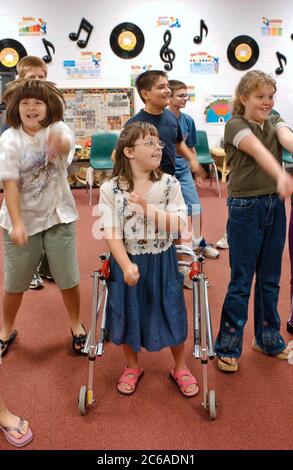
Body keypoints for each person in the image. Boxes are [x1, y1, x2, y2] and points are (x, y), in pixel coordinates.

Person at [99, 121, 199, 397]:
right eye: (149, 143)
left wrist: (146, 209)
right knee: (126, 311)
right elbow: (111, 232)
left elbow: (180, 225)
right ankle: (132, 366)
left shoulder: (169, 184)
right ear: (129, 152)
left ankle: (180, 366)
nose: (158, 147)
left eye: (159, 143)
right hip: (127, 261)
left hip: (162, 259)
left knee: (171, 308)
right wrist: (126, 264)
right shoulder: (111, 189)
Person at [0, 79, 86, 356]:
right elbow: (10, 184)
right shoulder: (9, 139)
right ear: (16, 107)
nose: (31, 107)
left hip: (58, 217)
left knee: (67, 278)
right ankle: (5, 330)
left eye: (38, 102)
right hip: (20, 221)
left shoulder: (58, 129)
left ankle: (76, 325)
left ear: (49, 107)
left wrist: (58, 144)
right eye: (25, 102)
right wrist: (17, 223)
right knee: (15, 283)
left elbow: (64, 144)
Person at [215, 70, 293, 372]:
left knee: (270, 278)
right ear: (244, 97)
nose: (267, 102)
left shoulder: (274, 119)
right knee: (241, 280)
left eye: (270, 96)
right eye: (260, 96)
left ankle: (267, 338)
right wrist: (280, 175)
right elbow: (258, 150)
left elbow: (286, 138)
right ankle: (229, 344)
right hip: (246, 208)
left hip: (275, 205)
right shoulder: (235, 124)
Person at [125, 70, 204, 287]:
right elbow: (121, 154)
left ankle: (177, 272)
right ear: (145, 94)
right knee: (145, 230)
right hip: (145, 185)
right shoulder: (135, 123)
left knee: (174, 228)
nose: (167, 90)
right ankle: (141, 273)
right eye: (161, 87)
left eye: (167, 85)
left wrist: (193, 161)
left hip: (169, 183)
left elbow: (178, 143)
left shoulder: (170, 117)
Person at [3, 56, 52, 289]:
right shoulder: (15, 115)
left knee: (49, 227)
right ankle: (29, 271)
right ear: (21, 79)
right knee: (25, 230)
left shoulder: (50, 106)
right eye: (32, 78)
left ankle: (46, 267)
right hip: (23, 184)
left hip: (47, 184)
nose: (38, 81)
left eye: (42, 77)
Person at [168, 79, 220, 271]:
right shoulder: (162, 119)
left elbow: (190, 147)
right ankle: (175, 256)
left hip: (183, 171)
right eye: (180, 95)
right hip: (165, 172)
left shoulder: (187, 120)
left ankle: (198, 242)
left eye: (186, 95)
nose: (185, 99)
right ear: (170, 97)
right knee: (172, 214)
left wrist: (195, 169)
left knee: (196, 208)